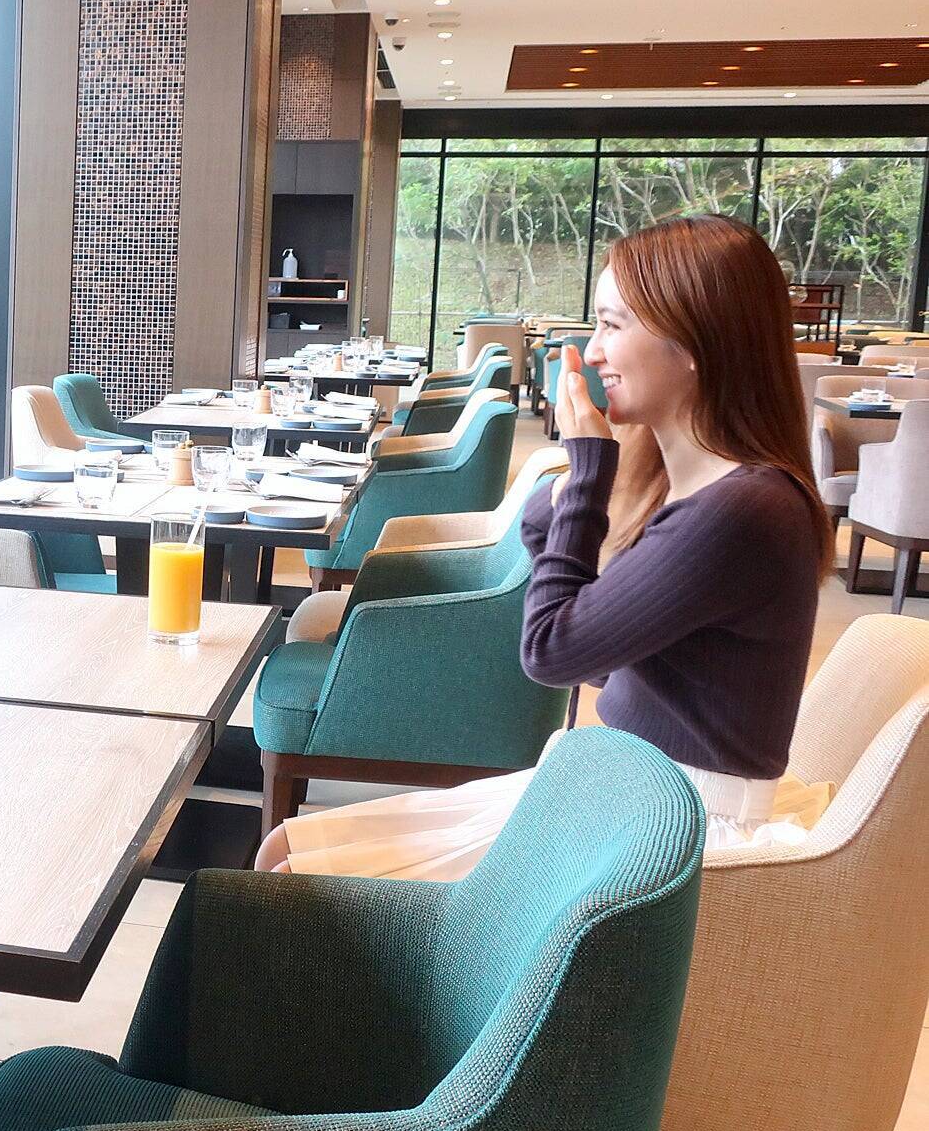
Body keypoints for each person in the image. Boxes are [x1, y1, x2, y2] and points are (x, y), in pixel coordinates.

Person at [260, 214, 834, 880]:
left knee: (293, 876)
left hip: (667, 821)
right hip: (623, 785)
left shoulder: (740, 511)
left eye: (612, 325)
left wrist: (588, 471)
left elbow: (553, 652)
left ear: (695, 342)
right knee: (285, 849)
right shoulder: (696, 488)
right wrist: (582, 475)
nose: (593, 352)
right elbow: (595, 637)